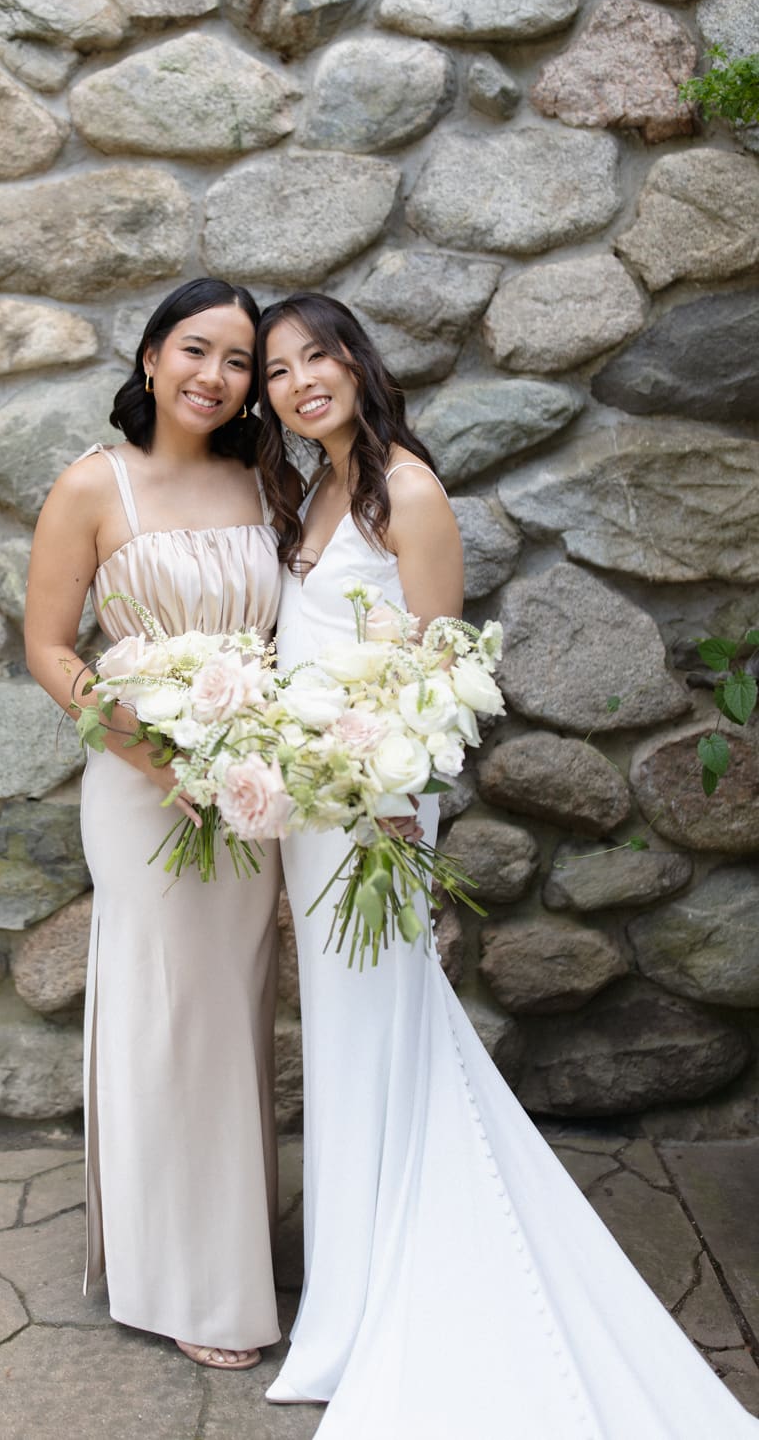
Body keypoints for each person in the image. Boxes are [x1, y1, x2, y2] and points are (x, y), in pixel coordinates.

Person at [255, 292, 759, 1437]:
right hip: (310, 808)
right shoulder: (314, 490)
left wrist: (393, 811)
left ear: (356, 360)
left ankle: (384, 1292)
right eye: (278, 371)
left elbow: (434, 680)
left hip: (376, 808)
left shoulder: (408, 489)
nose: (299, 381)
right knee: (346, 1037)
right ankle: (355, 1280)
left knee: (378, 1025)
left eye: (316, 356)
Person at [25, 279, 282, 1372]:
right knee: (167, 1014)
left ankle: (229, 1253)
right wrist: (153, 753)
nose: (213, 377)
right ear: (148, 357)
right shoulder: (93, 485)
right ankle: (177, 1280)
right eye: (195, 349)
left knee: (233, 1012)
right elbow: (49, 647)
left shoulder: (262, 480)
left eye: (237, 361)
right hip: (143, 788)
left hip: (253, 788)